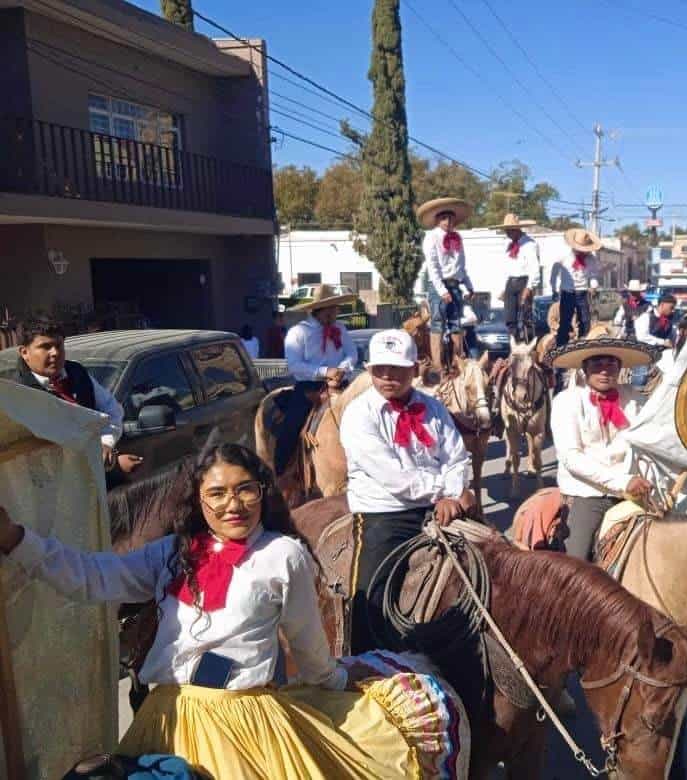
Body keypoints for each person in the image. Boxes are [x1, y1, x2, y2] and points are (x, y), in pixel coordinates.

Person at [0, 443, 464, 778]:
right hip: (165, 716)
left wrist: (342, 681)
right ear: (199, 499)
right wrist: (17, 540)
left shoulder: (284, 556)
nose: (232, 504)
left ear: (262, 492)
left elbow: (309, 646)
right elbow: (91, 576)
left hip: (244, 726)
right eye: (217, 493)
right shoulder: (170, 553)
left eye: (245, 490)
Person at [340, 329, 472, 654]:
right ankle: (362, 661)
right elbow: (394, 478)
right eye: (380, 369)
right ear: (369, 371)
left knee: (494, 560)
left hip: (441, 506)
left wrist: (454, 496)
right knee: (371, 590)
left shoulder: (434, 409)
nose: (388, 377)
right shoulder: (359, 414)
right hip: (385, 512)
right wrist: (444, 493)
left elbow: (457, 457)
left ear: (414, 369)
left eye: (397, 369)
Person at [549, 336, 657, 560]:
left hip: (636, 488)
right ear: (585, 368)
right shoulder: (567, 401)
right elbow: (571, 457)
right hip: (589, 492)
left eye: (611, 364)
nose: (605, 371)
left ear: (619, 368)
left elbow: (652, 437)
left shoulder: (635, 399)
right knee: (576, 564)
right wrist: (622, 481)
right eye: (597, 364)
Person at [12, 319, 142, 484]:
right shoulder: (17, 394)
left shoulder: (77, 373)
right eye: (45, 347)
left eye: (59, 346)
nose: (55, 353)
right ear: (24, 352)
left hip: (91, 479)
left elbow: (111, 410)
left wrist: (105, 444)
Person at [277, 285, 358, 475]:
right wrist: (324, 371)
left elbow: (352, 353)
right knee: (291, 425)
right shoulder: (298, 332)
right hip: (309, 386)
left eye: (336, 308)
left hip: (341, 383)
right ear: (320, 310)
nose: (335, 312)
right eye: (332, 308)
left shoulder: (340, 328)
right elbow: (295, 365)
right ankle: (281, 472)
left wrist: (341, 369)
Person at [418, 197, 475, 366]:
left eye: (451, 218)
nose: (448, 221)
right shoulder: (431, 238)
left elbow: (461, 266)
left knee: (456, 323)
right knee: (437, 323)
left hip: (455, 284)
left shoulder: (458, 238)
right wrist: (442, 291)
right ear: (437, 220)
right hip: (439, 286)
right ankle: (438, 365)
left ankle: (458, 360)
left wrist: (469, 285)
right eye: (444, 218)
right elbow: (433, 267)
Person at [550, 228, 602, 349]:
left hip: (582, 292)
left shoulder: (591, 259)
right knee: (565, 322)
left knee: (585, 320)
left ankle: (584, 345)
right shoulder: (564, 256)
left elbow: (593, 275)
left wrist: (594, 286)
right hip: (567, 292)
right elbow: (554, 272)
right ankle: (561, 347)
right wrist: (553, 288)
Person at [494, 213, 540, 342]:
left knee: (526, 318)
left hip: (524, 281)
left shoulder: (529, 244)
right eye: (506, 231)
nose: (507, 234)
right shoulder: (508, 244)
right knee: (510, 319)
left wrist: (529, 287)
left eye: (509, 231)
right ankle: (514, 347)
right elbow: (507, 267)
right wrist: (505, 287)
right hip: (511, 282)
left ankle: (529, 345)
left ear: (517, 229)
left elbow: (534, 268)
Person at [631, 294, 676, 387]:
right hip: (643, 353)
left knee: (666, 381)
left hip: (661, 355)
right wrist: (662, 342)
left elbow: (671, 334)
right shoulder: (646, 317)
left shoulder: (669, 320)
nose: (673, 310)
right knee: (639, 382)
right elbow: (642, 336)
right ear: (662, 305)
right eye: (671, 307)